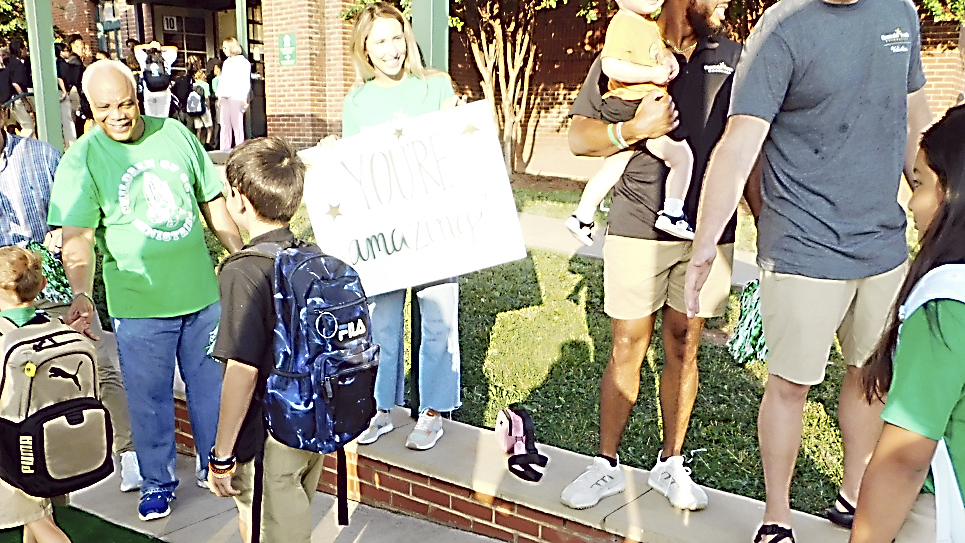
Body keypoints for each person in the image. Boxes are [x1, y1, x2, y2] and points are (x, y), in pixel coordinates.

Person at [682, 0, 933, 539]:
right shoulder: (783, 27)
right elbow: (739, 142)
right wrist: (704, 246)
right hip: (803, 244)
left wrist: (937, 205)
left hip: (883, 244)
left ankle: (853, 495)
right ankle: (777, 516)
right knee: (791, 385)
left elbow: (914, 118)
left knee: (871, 377)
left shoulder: (900, 12)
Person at [558, 0, 749, 512]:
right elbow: (578, 136)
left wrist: (767, 229)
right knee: (627, 344)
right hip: (637, 227)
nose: (726, 3)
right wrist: (632, 130)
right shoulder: (629, 45)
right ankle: (605, 464)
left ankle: (670, 464)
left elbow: (749, 151)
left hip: (708, 232)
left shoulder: (734, 57)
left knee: (685, 345)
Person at [47, 60, 243, 522]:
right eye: (104, 108)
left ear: (138, 96)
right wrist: (81, 293)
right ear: (87, 107)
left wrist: (242, 255)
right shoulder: (82, 159)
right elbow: (78, 237)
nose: (118, 115)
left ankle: (214, 466)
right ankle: (157, 482)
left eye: (126, 103)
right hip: (139, 305)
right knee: (149, 400)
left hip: (201, 296)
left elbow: (212, 202)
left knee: (211, 390)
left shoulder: (174, 133)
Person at [341, 2, 463, 452]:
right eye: (380, 41)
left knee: (438, 320)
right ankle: (379, 409)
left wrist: (457, 122)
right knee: (381, 324)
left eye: (396, 38)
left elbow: (456, 150)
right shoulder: (357, 102)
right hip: (384, 233)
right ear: (365, 49)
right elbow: (353, 169)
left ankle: (433, 411)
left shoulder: (435, 86)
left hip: (434, 226)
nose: (391, 49)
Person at [0, 103, 140, 493]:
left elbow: (77, 209)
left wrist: (62, 231)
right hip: (2, 296)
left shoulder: (40, 155)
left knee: (95, 363)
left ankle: (129, 453)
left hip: (50, 282)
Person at [849, 105, 965, 543]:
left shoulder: (946, 302)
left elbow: (905, 457)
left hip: (942, 517)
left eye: (919, 184)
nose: (912, 203)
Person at [207, 136, 320, 543]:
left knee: (270, 530)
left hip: (267, 436)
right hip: (311, 422)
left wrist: (221, 455)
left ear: (239, 200)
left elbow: (242, 370)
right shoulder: (311, 254)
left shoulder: (244, 270)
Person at [565, 0, 694, 246]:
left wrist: (667, 59)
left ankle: (582, 216)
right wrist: (652, 74)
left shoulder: (647, 24)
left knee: (614, 167)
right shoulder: (623, 22)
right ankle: (673, 213)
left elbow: (653, 52)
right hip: (632, 104)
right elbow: (610, 66)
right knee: (681, 157)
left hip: (630, 104)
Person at [0, 246, 73, 543]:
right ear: (42, 284)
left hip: (12, 450)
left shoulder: (4, 336)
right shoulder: (54, 327)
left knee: (40, 521)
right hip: (51, 440)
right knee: (40, 514)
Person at [215, 38, 250, 150]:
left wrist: (243, 97)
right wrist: (219, 95)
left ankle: (240, 149)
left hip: (236, 97)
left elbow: (245, 81)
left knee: (237, 126)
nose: (223, 50)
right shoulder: (226, 62)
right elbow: (223, 80)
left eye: (225, 47)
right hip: (225, 97)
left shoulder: (244, 63)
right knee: (225, 126)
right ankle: (224, 150)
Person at [134, 41, 177, 118]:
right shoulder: (166, 57)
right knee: (163, 117)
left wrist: (149, 46)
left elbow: (136, 48)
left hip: (149, 92)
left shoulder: (144, 58)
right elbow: (175, 49)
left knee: (150, 117)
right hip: (164, 91)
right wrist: (160, 48)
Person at [7, 38, 34, 138]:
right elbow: (15, 83)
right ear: (20, 50)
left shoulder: (9, 63)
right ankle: (19, 146)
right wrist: (25, 101)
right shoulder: (18, 64)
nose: (26, 51)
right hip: (17, 99)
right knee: (28, 128)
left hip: (10, 100)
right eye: (25, 49)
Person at [55, 43, 77, 148]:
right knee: (67, 119)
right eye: (65, 50)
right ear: (60, 52)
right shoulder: (61, 63)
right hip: (62, 93)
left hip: (58, 92)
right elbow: (60, 77)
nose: (68, 52)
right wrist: (64, 91)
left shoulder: (55, 63)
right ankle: (71, 144)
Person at [190, 67, 214, 149]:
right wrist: (208, 107)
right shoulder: (205, 85)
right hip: (204, 108)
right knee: (209, 127)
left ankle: (198, 144)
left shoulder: (193, 85)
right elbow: (206, 97)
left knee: (198, 128)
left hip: (195, 109)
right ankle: (207, 144)